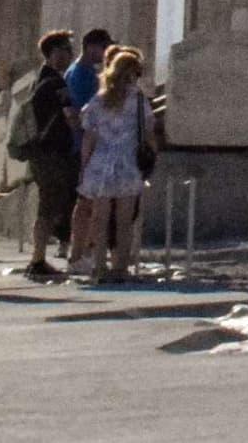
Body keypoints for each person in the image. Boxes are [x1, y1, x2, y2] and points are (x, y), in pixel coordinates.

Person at [68, 47, 149, 285]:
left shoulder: (98, 101)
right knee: (124, 222)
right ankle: (120, 267)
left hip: (100, 163)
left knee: (99, 220)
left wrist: (84, 167)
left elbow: (89, 138)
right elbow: (148, 133)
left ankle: (99, 266)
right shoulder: (139, 101)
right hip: (128, 163)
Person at [13, 32, 81, 282]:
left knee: (48, 205)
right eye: (66, 49)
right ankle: (37, 259)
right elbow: (70, 116)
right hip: (51, 153)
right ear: (53, 53)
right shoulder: (54, 83)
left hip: (41, 152)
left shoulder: (39, 80)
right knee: (48, 207)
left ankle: (38, 258)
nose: (70, 55)